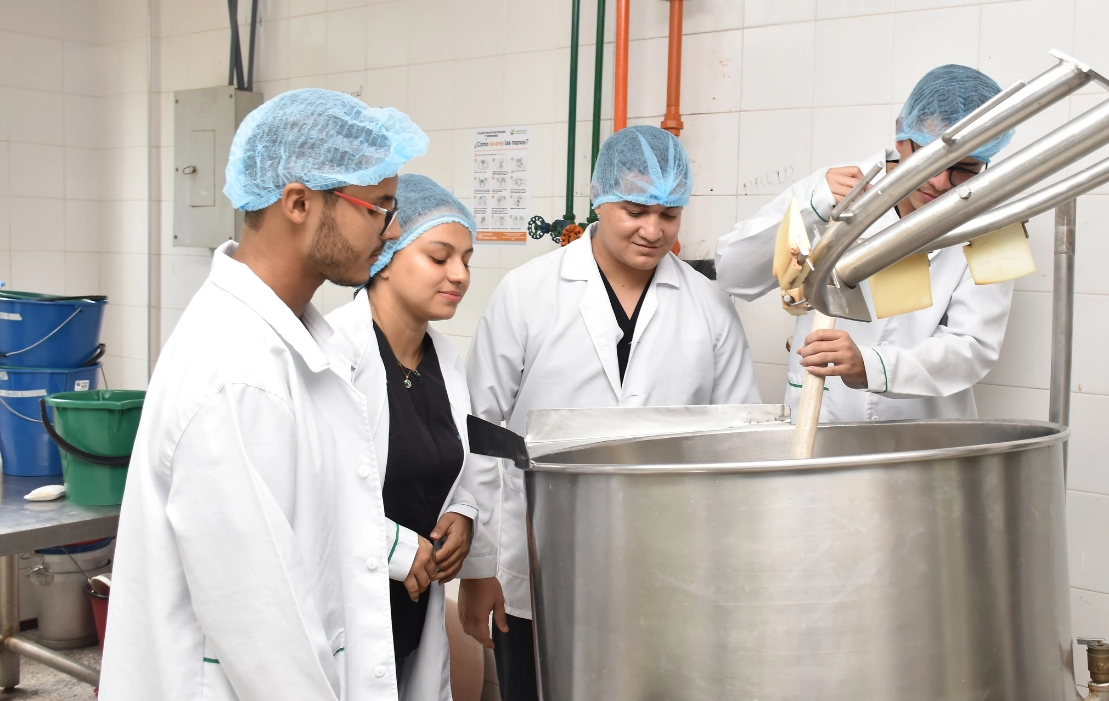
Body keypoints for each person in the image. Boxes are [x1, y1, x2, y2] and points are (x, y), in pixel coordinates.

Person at [99, 88, 428, 700]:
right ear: (298, 202)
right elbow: (263, 636)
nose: (394, 228)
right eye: (378, 206)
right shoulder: (237, 371)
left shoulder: (291, 343)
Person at [461, 125, 760, 700]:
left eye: (670, 214)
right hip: (540, 562)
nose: (654, 231)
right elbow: (478, 432)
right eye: (635, 210)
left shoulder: (710, 308)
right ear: (600, 199)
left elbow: (739, 438)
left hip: (671, 564)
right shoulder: (529, 294)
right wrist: (480, 567)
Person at [715, 64, 1015, 423]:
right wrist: (812, 210)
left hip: (925, 439)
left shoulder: (997, 223)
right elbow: (734, 274)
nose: (938, 181)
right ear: (901, 135)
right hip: (824, 419)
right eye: (929, 157)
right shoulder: (832, 189)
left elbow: (976, 347)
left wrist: (872, 366)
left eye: (963, 167)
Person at [325, 175, 500, 700]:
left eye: (466, 259)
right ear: (386, 253)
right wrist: (396, 546)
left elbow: (451, 471)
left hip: (409, 610)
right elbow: (314, 492)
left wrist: (464, 516)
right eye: (440, 256)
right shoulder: (334, 351)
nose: (460, 275)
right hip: (343, 611)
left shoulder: (445, 358)